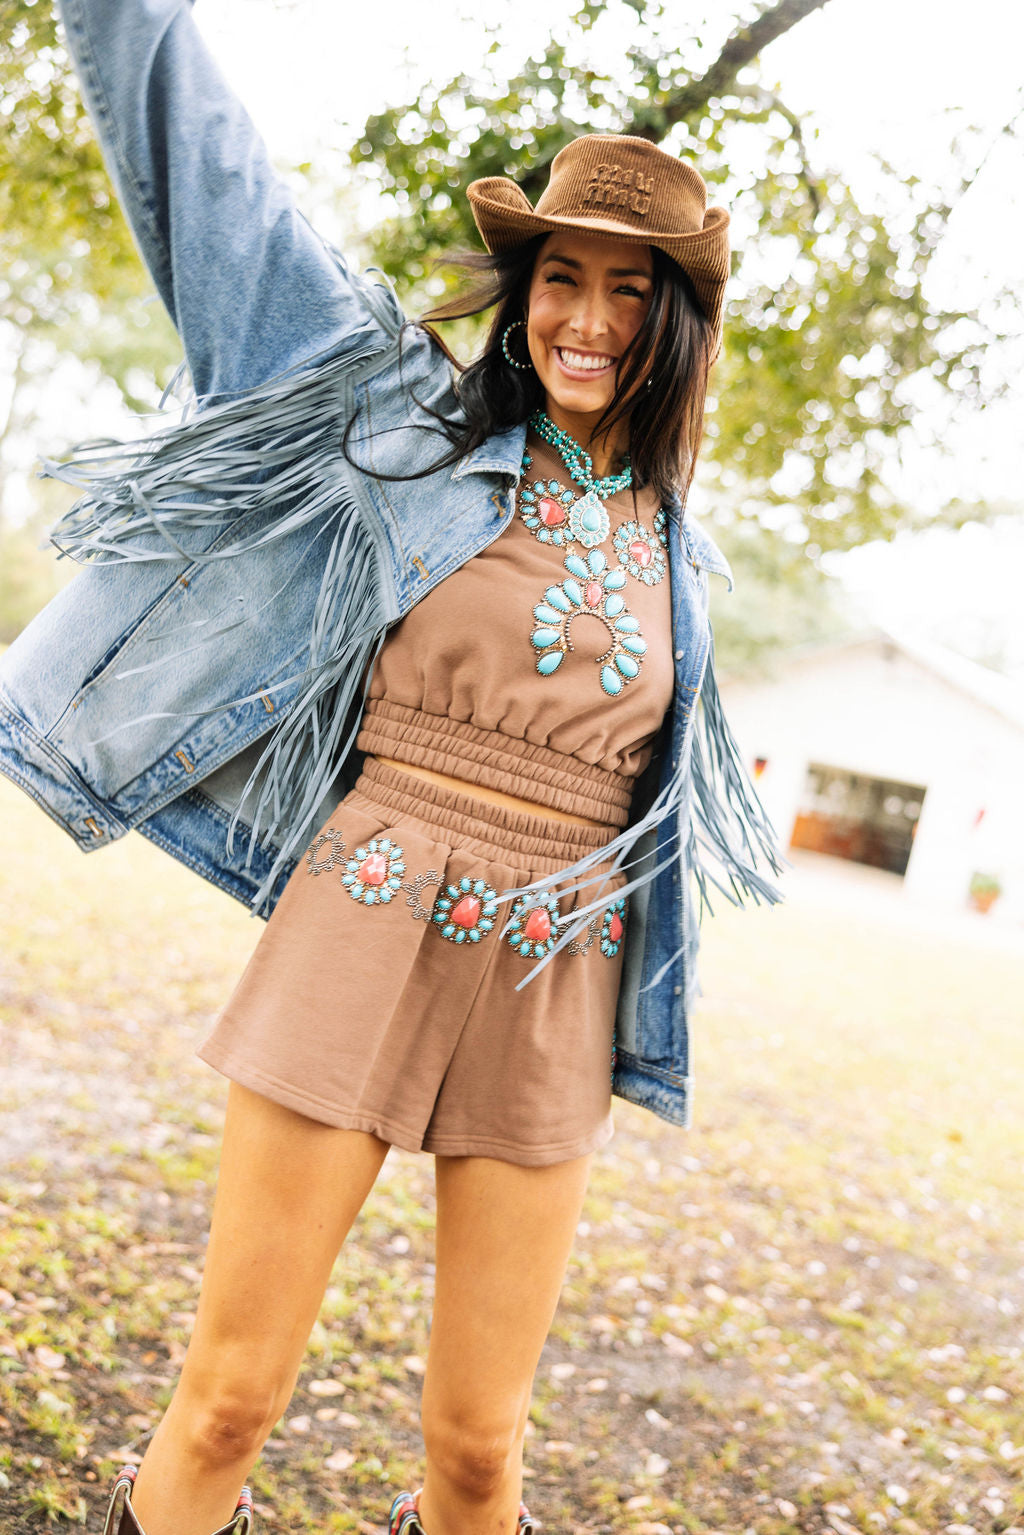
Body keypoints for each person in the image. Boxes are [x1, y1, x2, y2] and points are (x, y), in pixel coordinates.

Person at [1, 2, 785, 1532]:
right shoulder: (401, 421)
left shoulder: (680, 556)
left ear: (678, 325)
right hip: (367, 909)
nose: (588, 319)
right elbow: (218, 185)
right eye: (562, 278)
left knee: (480, 1450)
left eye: (630, 291)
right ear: (523, 294)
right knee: (230, 1400)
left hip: (557, 969)